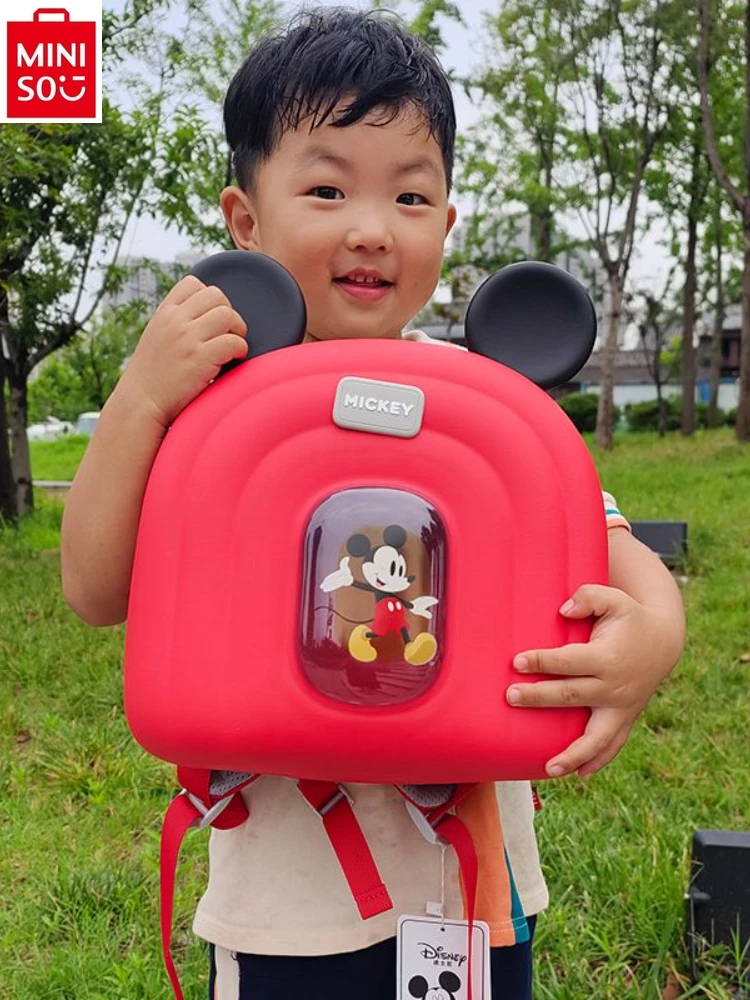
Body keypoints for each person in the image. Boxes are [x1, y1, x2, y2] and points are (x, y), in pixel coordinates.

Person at [60, 9, 685, 999]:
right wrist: (141, 398)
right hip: (288, 909)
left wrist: (653, 636)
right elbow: (96, 588)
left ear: (445, 226)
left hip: (468, 886)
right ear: (244, 220)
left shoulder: (484, 410)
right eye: (326, 187)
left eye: (409, 194)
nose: (370, 226)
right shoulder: (216, 409)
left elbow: (610, 546)